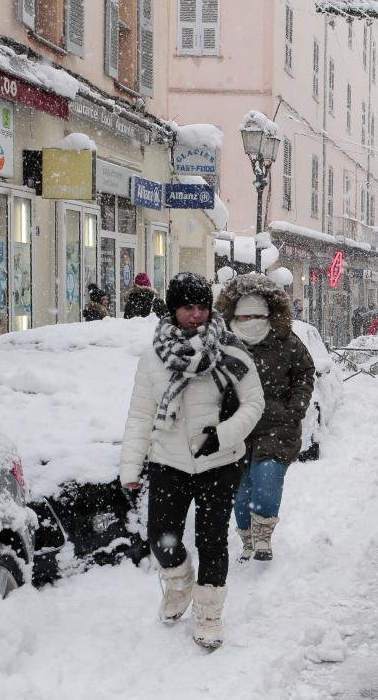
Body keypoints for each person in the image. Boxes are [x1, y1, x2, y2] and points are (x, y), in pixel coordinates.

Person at [119, 272, 265, 649]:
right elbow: (140, 415)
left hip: (219, 462)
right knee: (162, 538)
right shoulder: (154, 357)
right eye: (188, 308)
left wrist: (222, 435)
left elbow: (254, 403)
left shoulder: (229, 350)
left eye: (203, 307)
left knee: (211, 539)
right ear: (174, 309)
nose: (197, 315)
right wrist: (131, 466)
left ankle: (209, 614)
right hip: (169, 461)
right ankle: (180, 584)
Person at [215, 273, 315, 563]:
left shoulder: (285, 340)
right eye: (245, 317)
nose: (251, 322)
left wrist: (295, 407)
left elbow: (305, 373)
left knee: (267, 477)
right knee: (241, 488)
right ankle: (246, 537)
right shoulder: (224, 343)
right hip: (236, 426)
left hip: (277, 425)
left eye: (258, 315)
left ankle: (263, 537)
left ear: (270, 313)